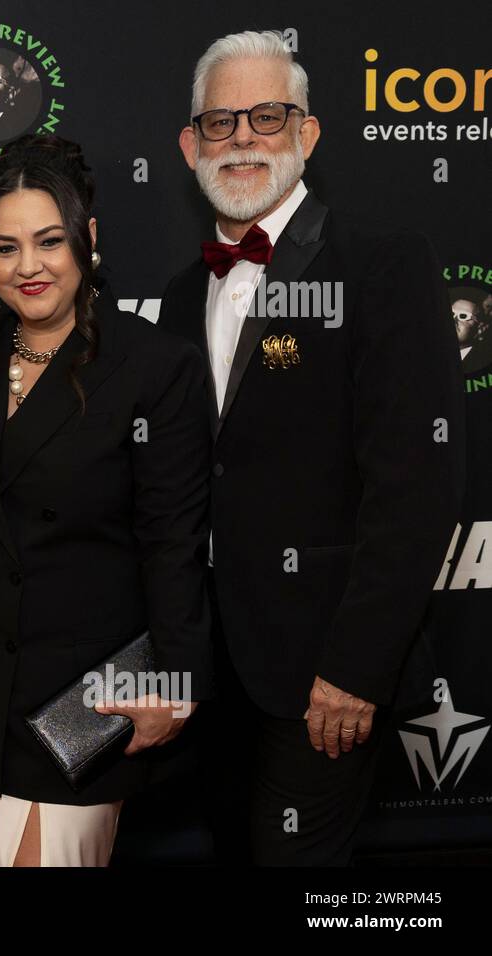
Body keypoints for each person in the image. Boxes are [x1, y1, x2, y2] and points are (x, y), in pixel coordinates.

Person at [158, 31, 464, 865]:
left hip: (327, 675)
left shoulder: (382, 266)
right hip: (215, 677)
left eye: (268, 115)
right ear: (190, 146)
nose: (245, 138)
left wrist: (359, 668)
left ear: (308, 133)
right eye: (221, 122)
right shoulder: (185, 294)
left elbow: (418, 487)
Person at [0, 134, 213, 867]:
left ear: (88, 238)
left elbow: (174, 545)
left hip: (81, 710)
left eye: (49, 241)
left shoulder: (155, 367)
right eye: (5, 248)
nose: (28, 267)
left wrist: (173, 687)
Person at [450, 288, 492, 375]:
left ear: (480, 329)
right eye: (451, 313)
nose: (454, 320)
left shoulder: (483, 365)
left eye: (463, 316)